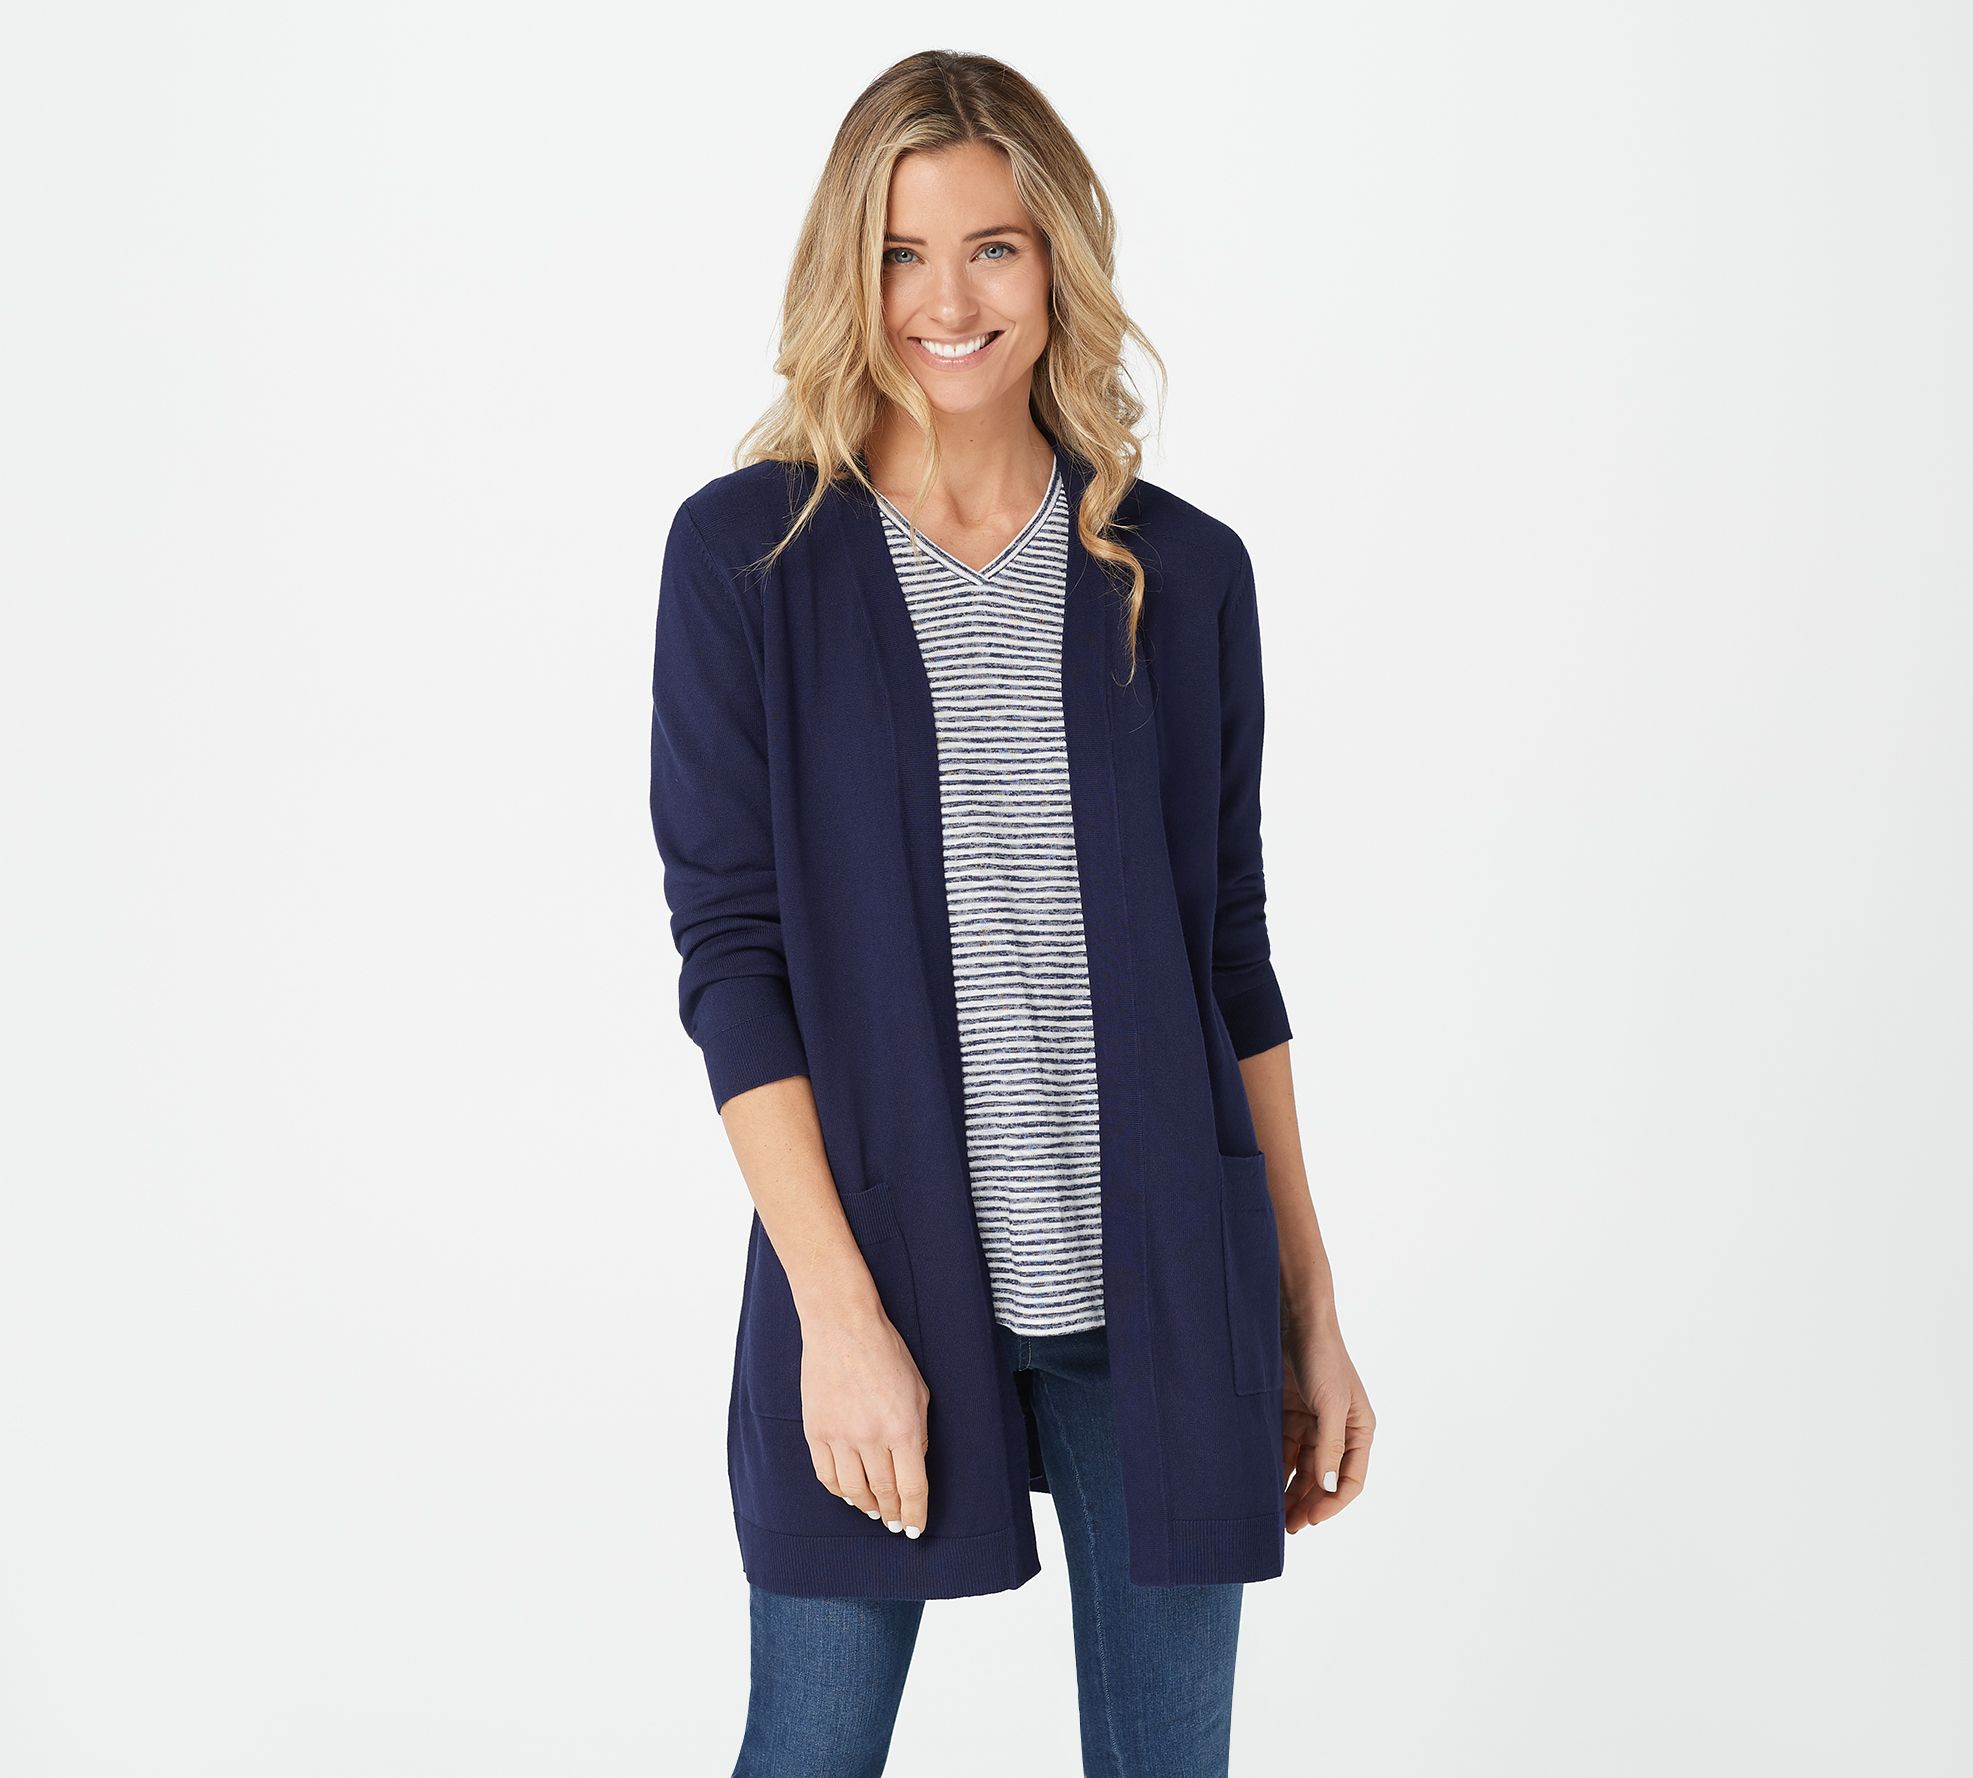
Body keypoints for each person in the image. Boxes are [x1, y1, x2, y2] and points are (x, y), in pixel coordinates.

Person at [648, 49, 1375, 1778]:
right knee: (807, 1748)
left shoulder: (1182, 573)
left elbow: (1232, 959)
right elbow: (733, 963)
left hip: (1164, 1295)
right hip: (881, 1272)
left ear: (1058, 263)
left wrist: (1309, 1299)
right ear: (849, 272)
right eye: (901, 253)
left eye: (993, 248)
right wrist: (837, 1317)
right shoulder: (749, 561)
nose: (948, 301)